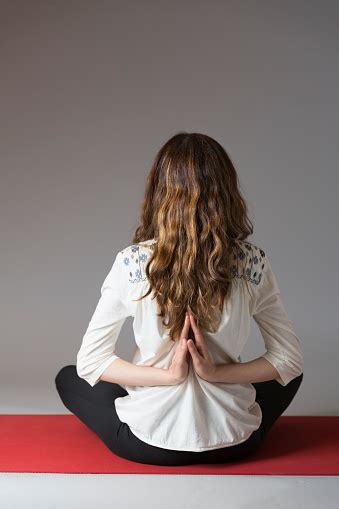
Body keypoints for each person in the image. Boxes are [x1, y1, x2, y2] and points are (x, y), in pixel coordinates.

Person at [55, 132, 304, 466]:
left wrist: (168, 376)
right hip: (235, 443)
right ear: (227, 191)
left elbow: (91, 362)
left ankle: (158, 395)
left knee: (69, 377)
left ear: (159, 192)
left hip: (148, 444)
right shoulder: (252, 262)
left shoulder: (132, 262)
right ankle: (223, 409)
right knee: (287, 375)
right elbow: (290, 361)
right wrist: (214, 373)